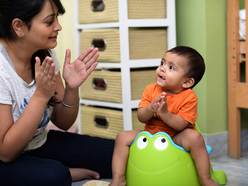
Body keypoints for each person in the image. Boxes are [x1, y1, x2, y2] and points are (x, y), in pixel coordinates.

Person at [0, 0, 114, 185]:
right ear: (18, 26)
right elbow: (6, 152)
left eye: (57, 19)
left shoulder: (44, 53)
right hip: (5, 156)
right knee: (53, 177)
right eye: (49, 22)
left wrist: (71, 87)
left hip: (38, 143)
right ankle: (66, 173)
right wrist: (40, 96)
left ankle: (60, 170)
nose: (58, 27)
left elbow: (63, 122)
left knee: (114, 154)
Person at [109, 46, 219, 186]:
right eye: (162, 63)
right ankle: (119, 178)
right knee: (122, 137)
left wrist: (165, 113)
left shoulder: (189, 97)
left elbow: (181, 124)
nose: (162, 68)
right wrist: (150, 108)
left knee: (195, 137)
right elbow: (141, 117)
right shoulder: (151, 89)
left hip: (175, 136)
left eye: (171, 68)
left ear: (187, 82)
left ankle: (205, 179)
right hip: (150, 134)